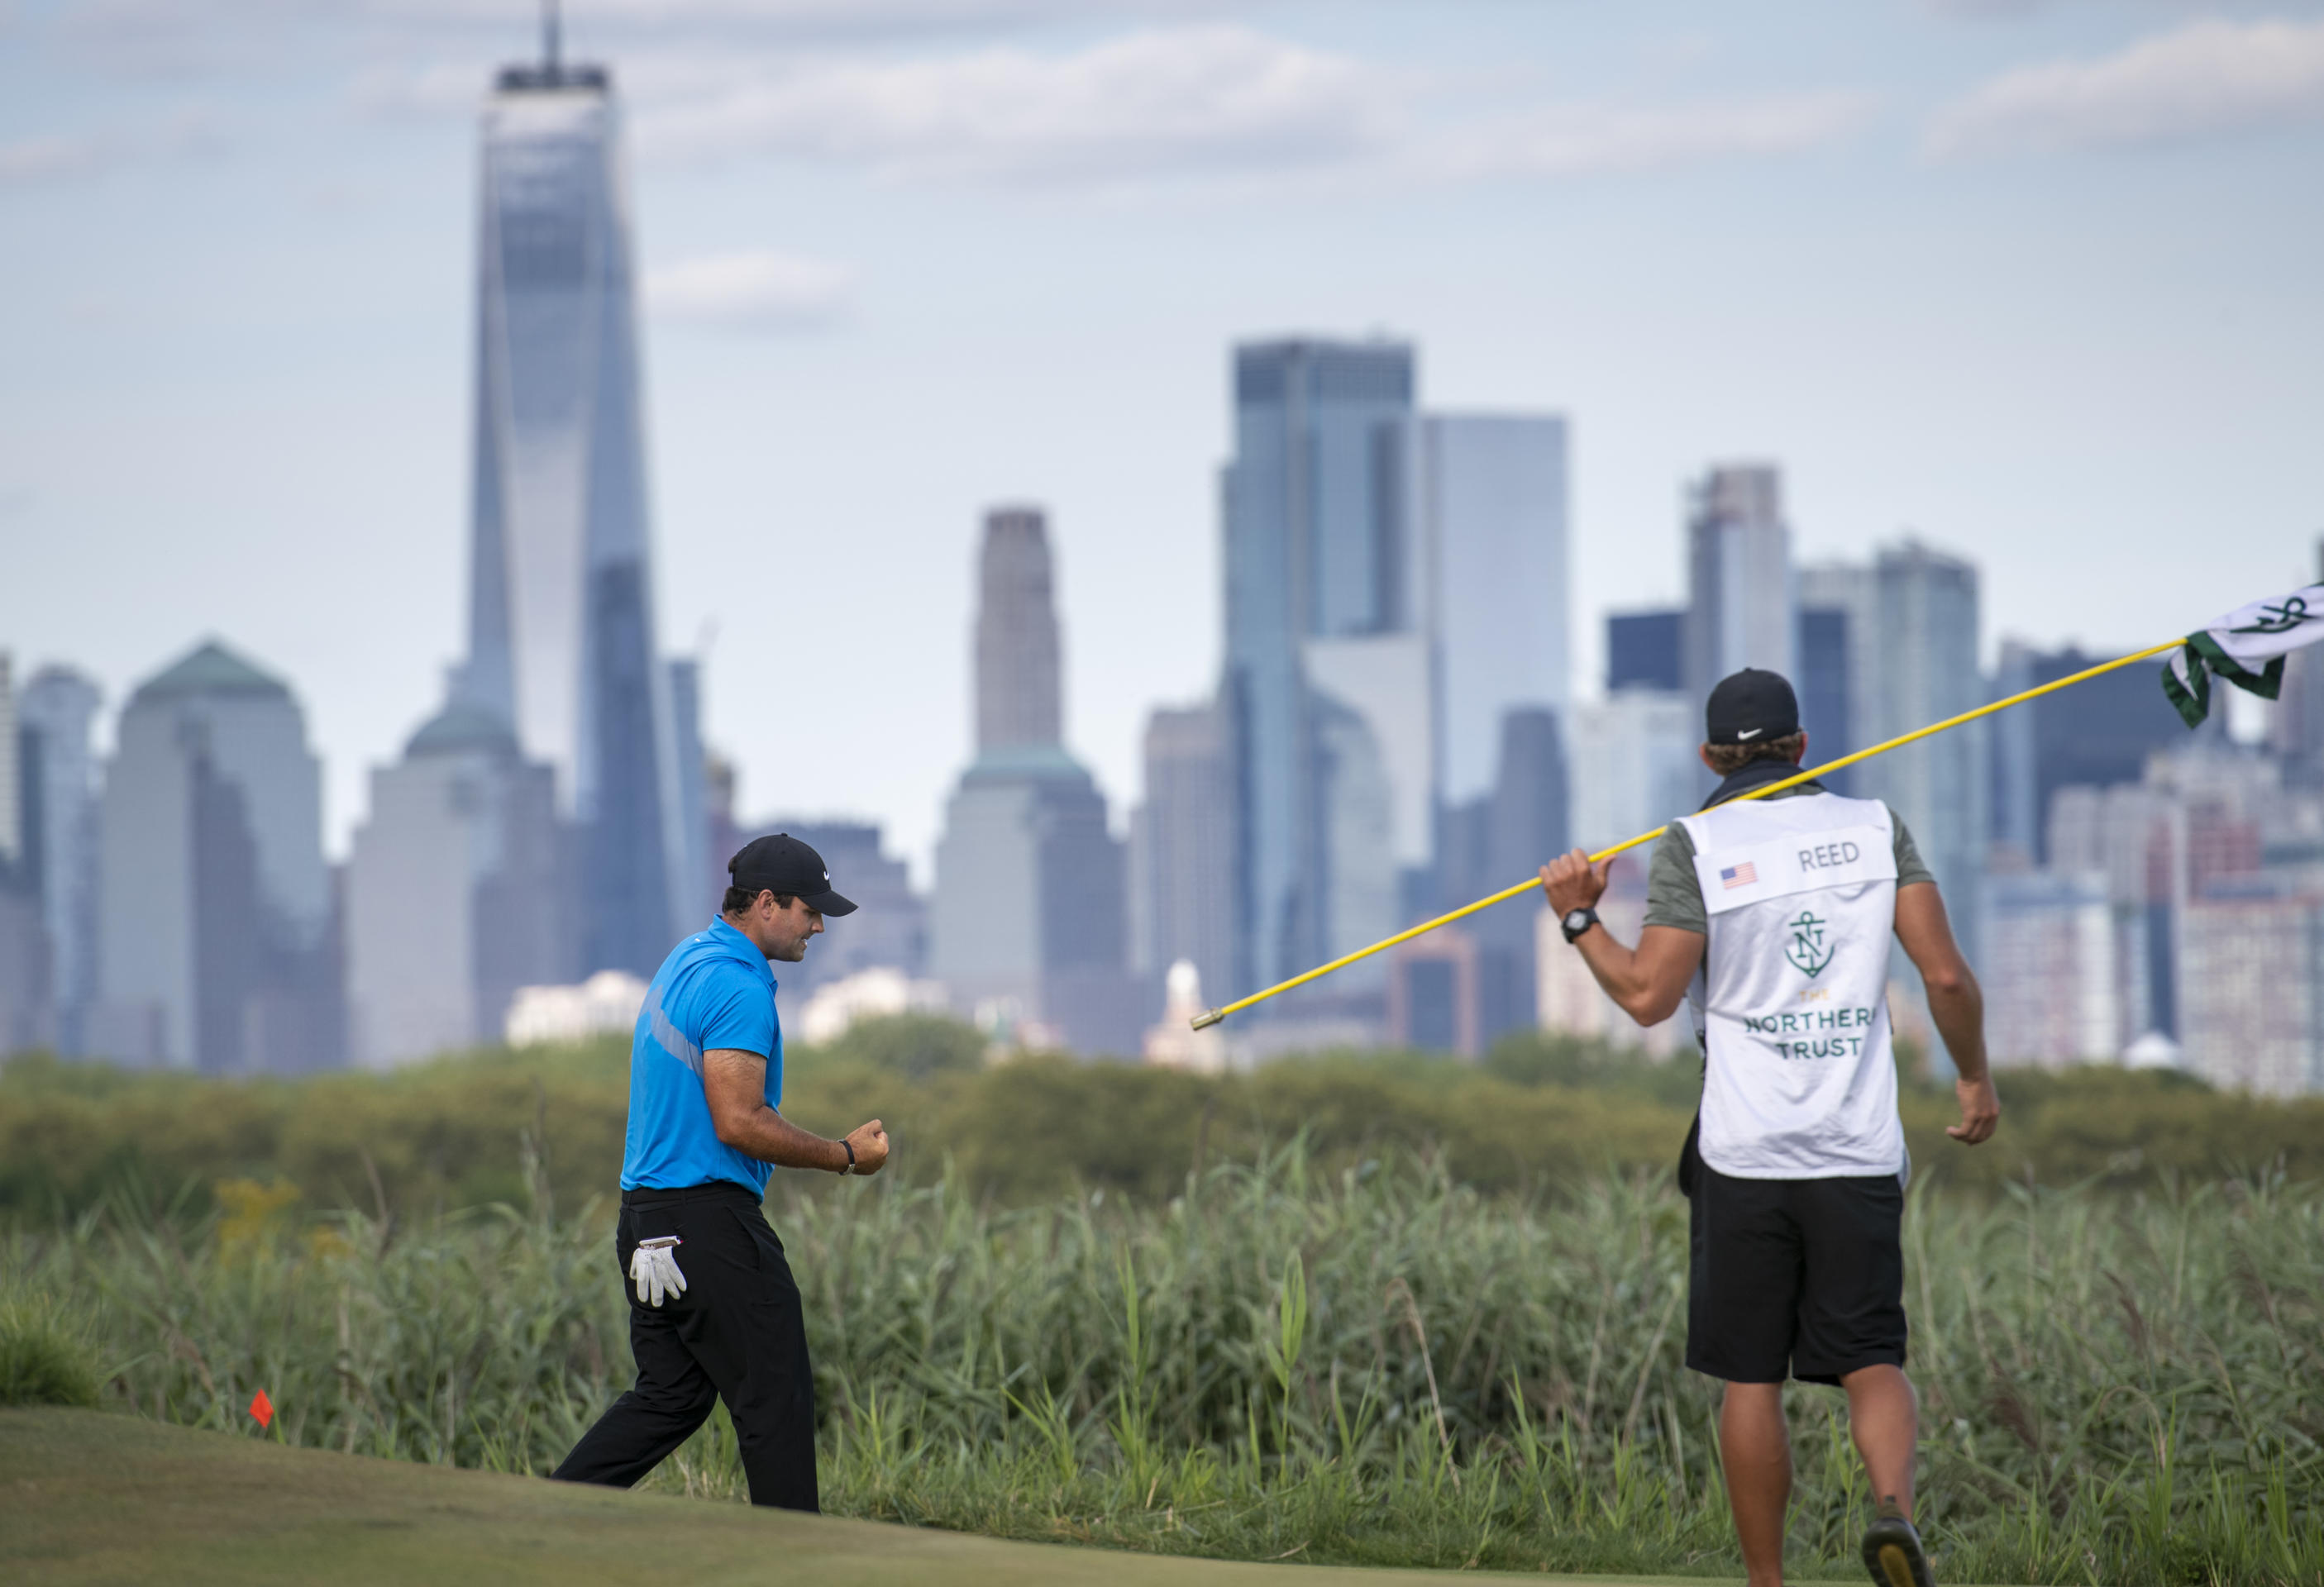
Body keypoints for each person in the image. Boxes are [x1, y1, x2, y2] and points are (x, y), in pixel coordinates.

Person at [1539, 668, 1999, 1587]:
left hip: (1742, 1154)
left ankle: (1766, 1582)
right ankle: (1893, 1511)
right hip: (1856, 1148)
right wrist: (1974, 1078)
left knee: (1750, 1378)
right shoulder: (1875, 828)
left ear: (1710, 757)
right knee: (1871, 1359)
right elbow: (1945, 978)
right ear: (1802, 745)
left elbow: (1646, 996)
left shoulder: (1694, 844)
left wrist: (1579, 915)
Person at [551, 833, 892, 1512]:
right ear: (766, 903)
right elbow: (739, 1121)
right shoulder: (738, 986)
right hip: (707, 1226)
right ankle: (792, 1554)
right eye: (809, 911)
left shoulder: (687, 959)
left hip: (645, 1223)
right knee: (776, 1396)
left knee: (671, 1397)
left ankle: (547, 1516)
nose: (818, 927)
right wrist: (845, 1156)